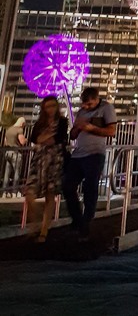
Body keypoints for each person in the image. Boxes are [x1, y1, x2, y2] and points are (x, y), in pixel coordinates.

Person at [63, 87, 117, 240]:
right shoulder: (81, 112)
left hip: (95, 153)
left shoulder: (106, 108)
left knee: (90, 186)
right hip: (78, 153)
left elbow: (111, 131)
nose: (86, 107)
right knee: (67, 186)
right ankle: (78, 219)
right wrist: (77, 129)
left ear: (96, 99)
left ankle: (86, 220)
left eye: (90, 105)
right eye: (84, 105)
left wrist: (91, 128)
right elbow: (73, 135)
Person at [23, 97, 69, 243]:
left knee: (50, 194)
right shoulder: (39, 123)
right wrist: (45, 137)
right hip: (39, 160)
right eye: (47, 106)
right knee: (29, 193)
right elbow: (35, 138)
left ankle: (44, 231)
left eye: (53, 106)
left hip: (55, 160)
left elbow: (59, 138)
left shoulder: (62, 122)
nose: (50, 109)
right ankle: (36, 222)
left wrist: (45, 138)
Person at [3, 116, 28, 195]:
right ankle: (14, 192)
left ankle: (4, 192)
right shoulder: (19, 130)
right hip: (16, 153)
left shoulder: (9, 129)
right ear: (22, 123)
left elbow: (5, 142)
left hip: (7, 152)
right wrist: (26, 139)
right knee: (17, 173)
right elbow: (22, 142)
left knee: (6, 174)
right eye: (24, 124)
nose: (24, 126)